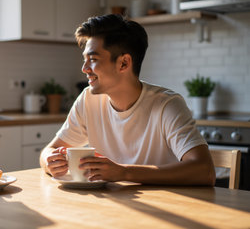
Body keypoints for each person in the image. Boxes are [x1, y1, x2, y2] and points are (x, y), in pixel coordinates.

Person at [40, 14, 216, 186]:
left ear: (124, 63)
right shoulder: (88, 100)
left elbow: (205, 171)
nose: (84, 69)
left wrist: (123, 172)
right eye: (85, 60)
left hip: (164, 207)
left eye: (93, 59)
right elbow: (49, 150)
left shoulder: (166, 105)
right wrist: (50, 161)